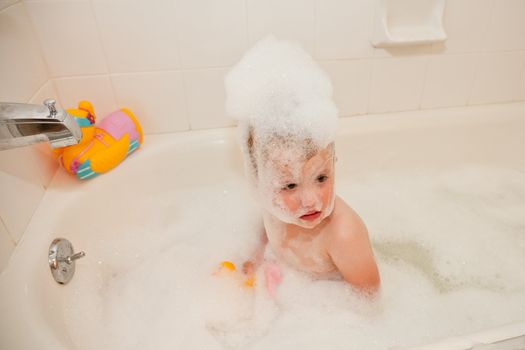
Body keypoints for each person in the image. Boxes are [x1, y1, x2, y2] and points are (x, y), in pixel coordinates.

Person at [224, 37, 380, 296]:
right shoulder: (273, 203)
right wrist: (254, 256)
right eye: (290, 185)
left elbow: (369, 304)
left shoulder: (343, 235)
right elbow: (265, 223)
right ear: (259, 181)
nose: (310, 201)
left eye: (321, 178)